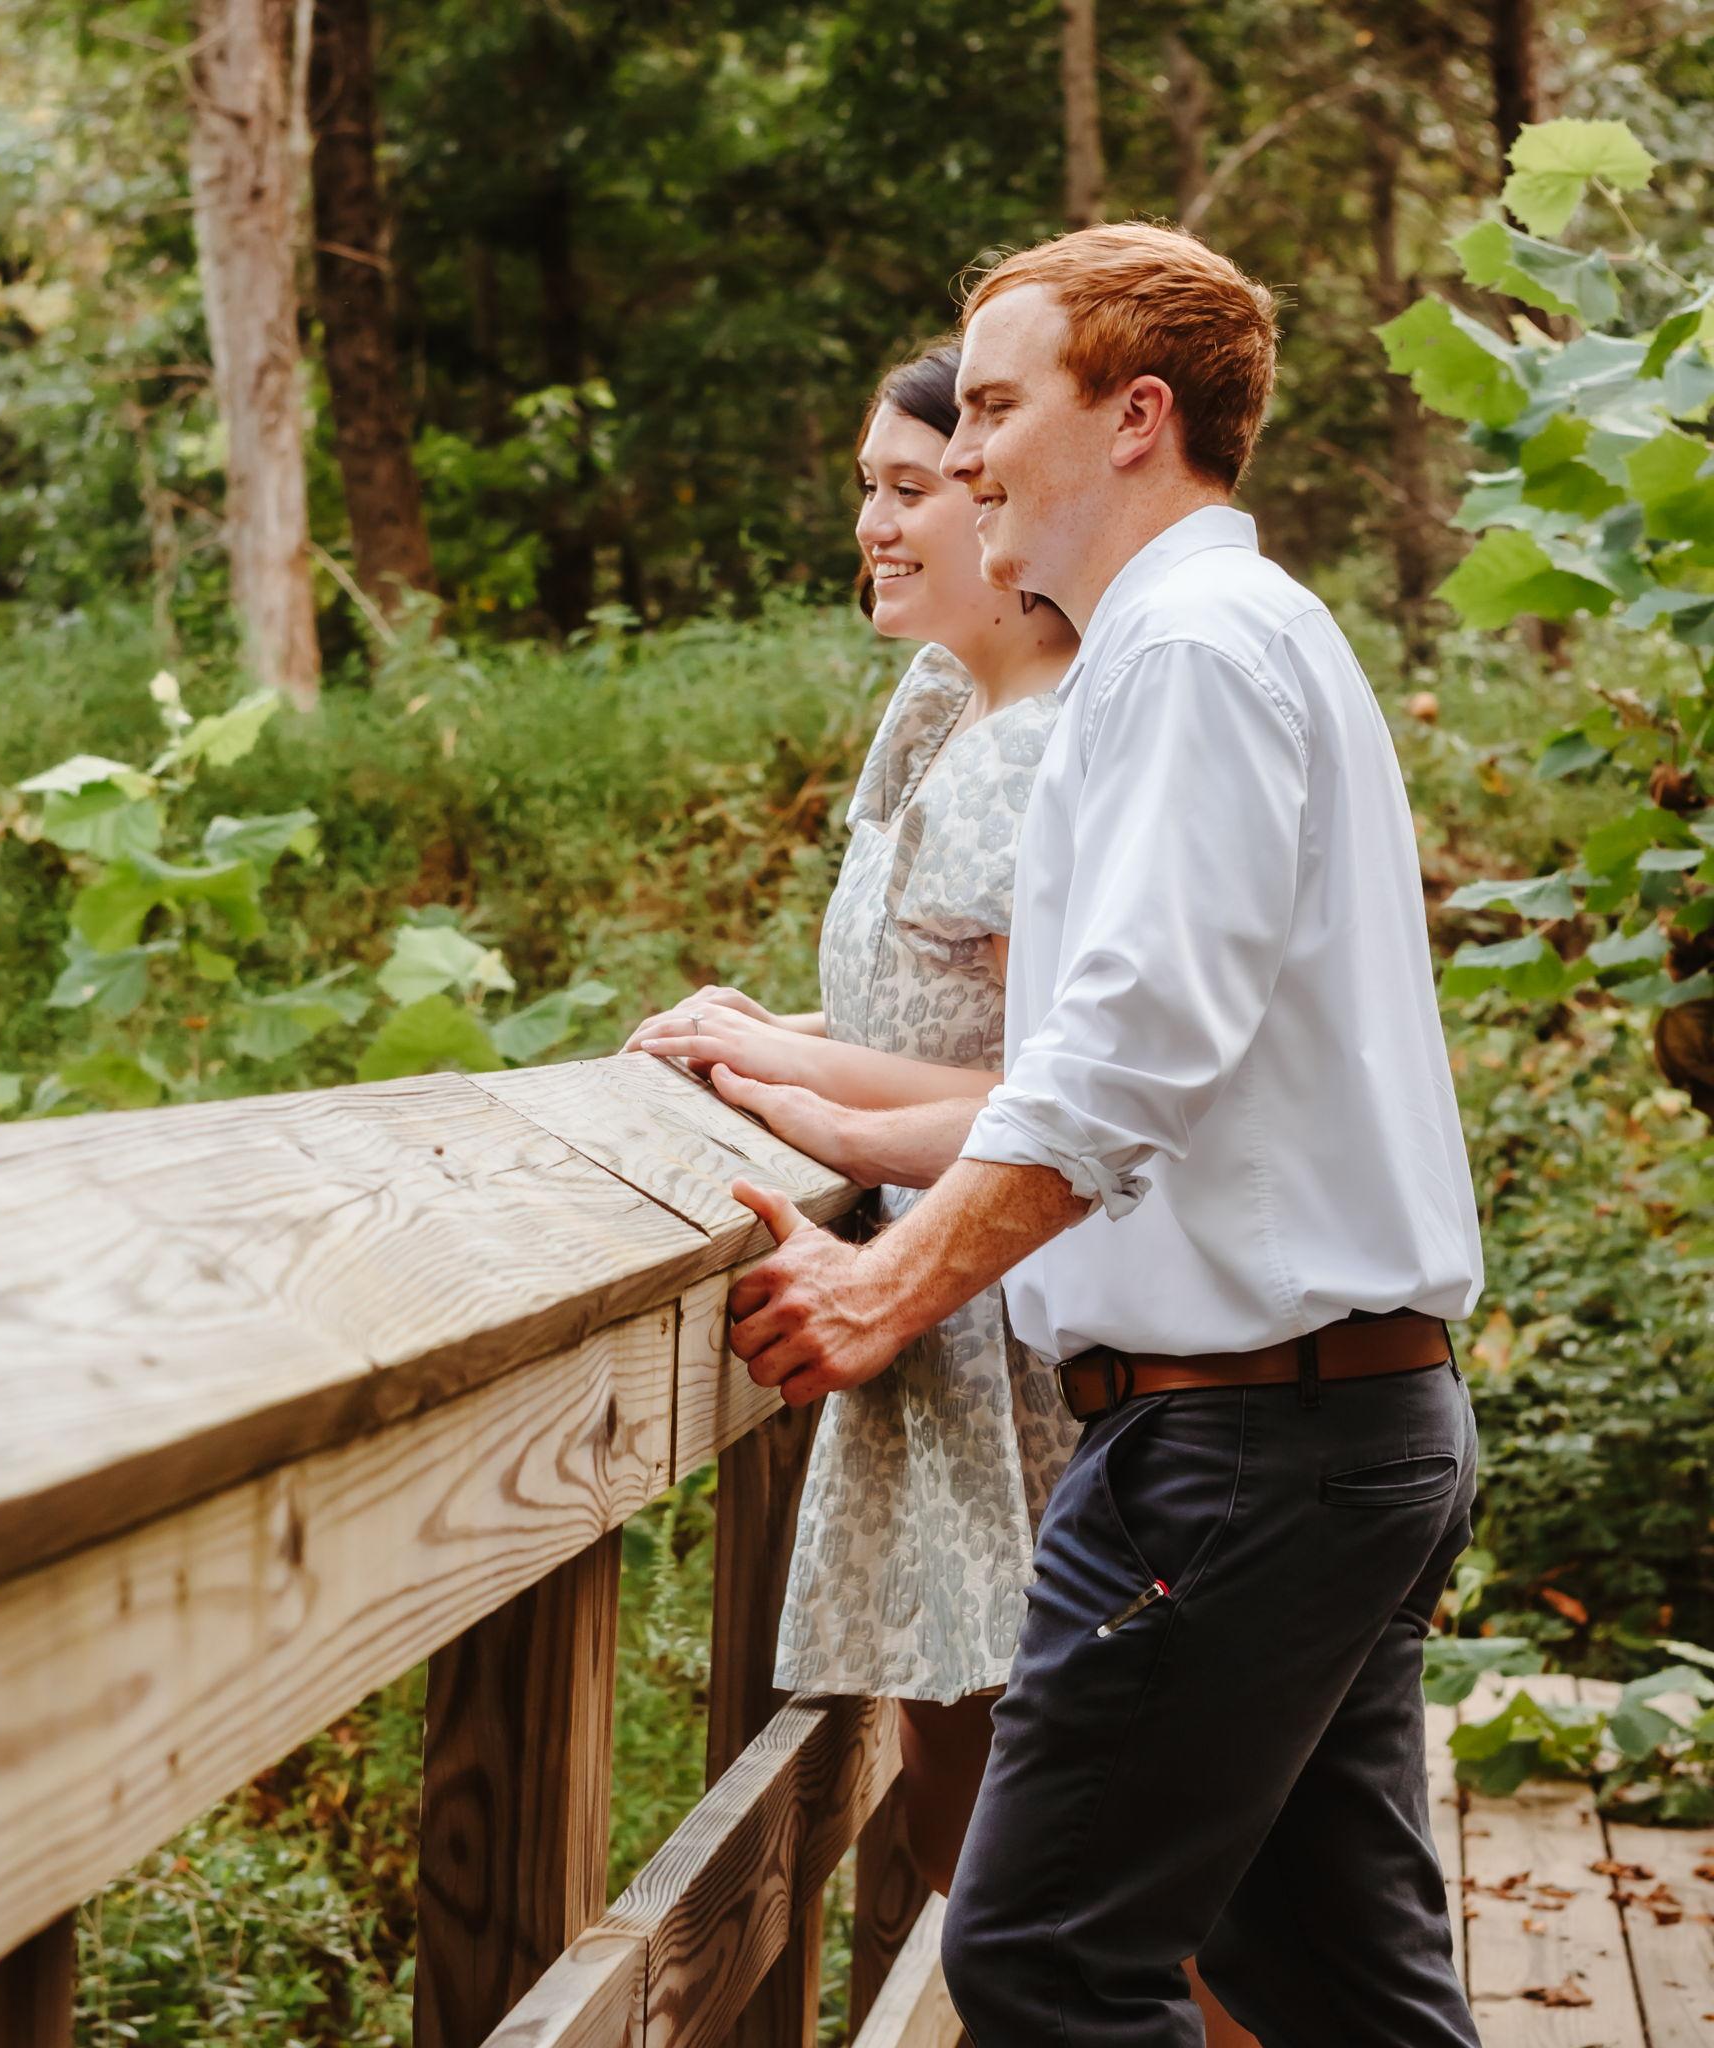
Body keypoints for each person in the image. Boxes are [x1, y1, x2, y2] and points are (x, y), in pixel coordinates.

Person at [713, 221, 1486, 2047]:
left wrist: (890, 1288)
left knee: (1045, 1963)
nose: (962, 452)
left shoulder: (1186, 654)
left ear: (1135, 416)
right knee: (1336, 1988)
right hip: (1324, 1429)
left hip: (1241, 1450)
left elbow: (1126, 1053)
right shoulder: (1237, 633)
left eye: (990, 406)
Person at [623, 339, 1081, 1897]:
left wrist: (783, 1081)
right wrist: (789, 1036)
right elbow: (928, 1013)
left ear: (1002, 499)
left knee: (1052, 1851)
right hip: (927, 1339)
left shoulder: (1040, 753)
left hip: (1002, 1314)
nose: (873, 527)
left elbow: (1045, 1093)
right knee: (974, 1843)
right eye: (865, 493)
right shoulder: (944, 704)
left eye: (910, 490)